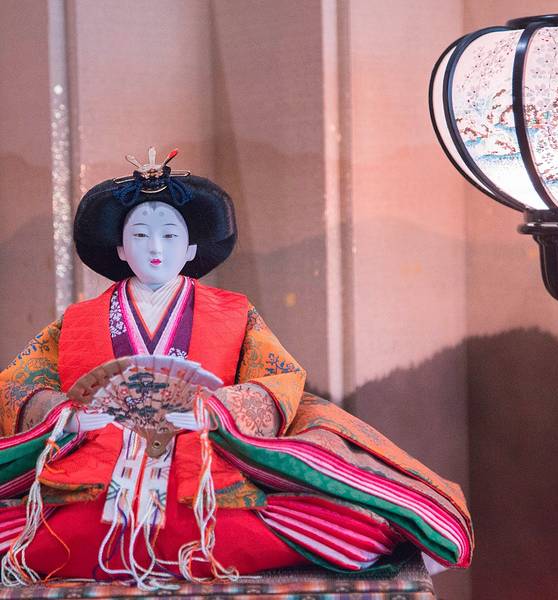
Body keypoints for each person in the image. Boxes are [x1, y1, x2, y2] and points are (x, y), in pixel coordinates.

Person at [0, 149, 473, 589]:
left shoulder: (233, 312)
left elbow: (279, 376)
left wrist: (219, 411)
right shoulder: (77, 320)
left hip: (204, 462)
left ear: (191, 249)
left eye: (170, 235)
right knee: (72, 526)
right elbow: (22, 380)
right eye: (140, 235)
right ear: (120, 249)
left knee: (348, 535)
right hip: (98, 466)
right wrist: (65, 415)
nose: (155, 247)